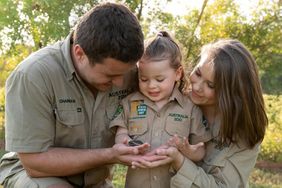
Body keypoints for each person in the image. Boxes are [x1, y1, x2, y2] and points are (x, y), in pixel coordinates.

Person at [0, 2, 151, 187]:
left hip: (96, 180)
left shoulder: (131, 72)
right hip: (34, 175)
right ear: (80, 53)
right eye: (111, 76)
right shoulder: (33, 76)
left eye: (125, 73)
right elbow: (34, 163)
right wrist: (110, 154)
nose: (121, 82)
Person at [132, 39, 268, 187]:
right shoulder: (173, 101)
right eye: (198, 73)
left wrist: (179, 161)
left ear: (230, 93)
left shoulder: (245, 134)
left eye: (210, 85)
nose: (196, 86)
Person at [109, 31, 211, 188]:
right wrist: (128, 144)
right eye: (144, 79)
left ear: (178, 73)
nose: (151, 85)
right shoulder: (129, 103)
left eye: (159, 79)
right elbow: (121, 134)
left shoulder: (190, 107)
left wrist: (187, 149)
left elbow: (201, 150)